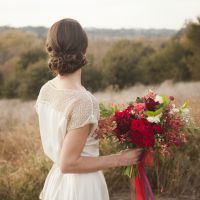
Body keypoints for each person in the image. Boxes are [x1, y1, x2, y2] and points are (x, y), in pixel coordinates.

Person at [34, 18, 142, 200]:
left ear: (51, 49)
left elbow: (65, 133)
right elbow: (68, 163)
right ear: (84, 49)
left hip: (58, 184)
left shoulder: (47, 90)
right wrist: (120, 159)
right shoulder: (83, 101)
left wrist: (101, 125)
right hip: (81, 188)